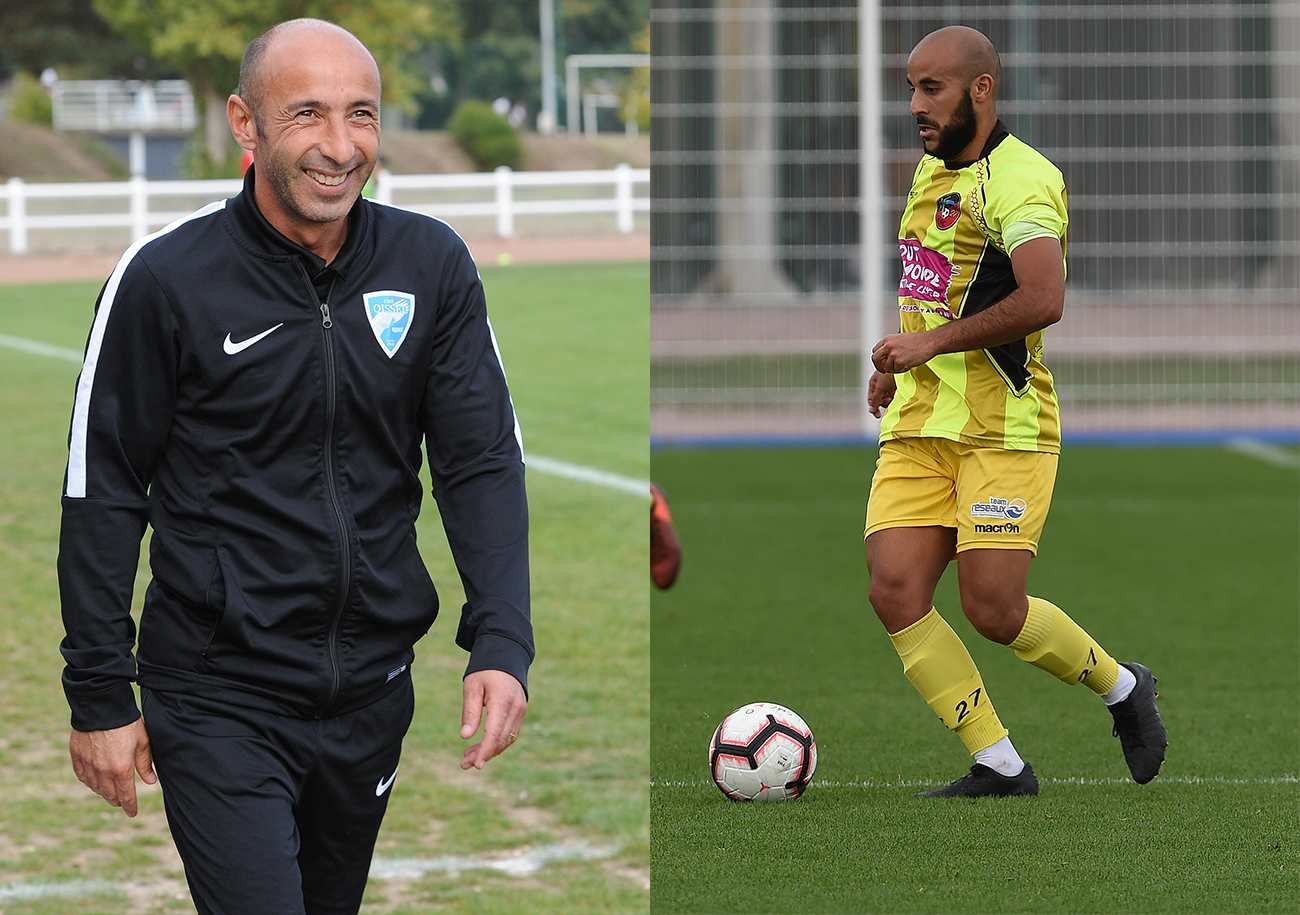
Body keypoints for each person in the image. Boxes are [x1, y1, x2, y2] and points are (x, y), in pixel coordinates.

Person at [58, 19, 532, 913]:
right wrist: (98, 691)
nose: (340, 146)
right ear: (245, 122)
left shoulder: (431, 264)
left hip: (372, 692)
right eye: (306, 113)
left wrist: (502, 639)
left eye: (362, 114)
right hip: (215, 695)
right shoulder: (165, 279)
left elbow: (480, 463)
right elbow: (105, 488)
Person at [864, 26, 1166, 798]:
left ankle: (1123, 687)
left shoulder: (1024, 180)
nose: (916, 106)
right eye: (910, 88)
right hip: (920, 427)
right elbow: (938, 282)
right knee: (895, 590)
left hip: (1006, 428)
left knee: (993, 608)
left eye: (931, 89)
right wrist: (901, 367)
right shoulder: (931, 173)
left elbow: (1043, 298)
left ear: (982, 89)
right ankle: (999, 763)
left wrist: (929, 343)